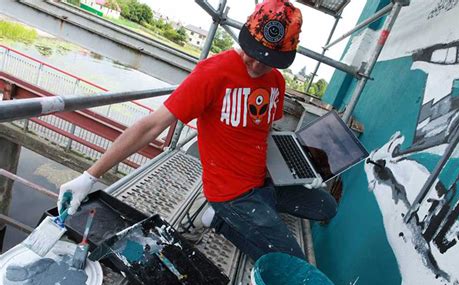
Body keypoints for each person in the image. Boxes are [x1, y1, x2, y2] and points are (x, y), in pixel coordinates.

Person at [58, 0, 337, 261]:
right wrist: (90, 176)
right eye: (252, 52)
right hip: (232, 192)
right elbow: (151, 126)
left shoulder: (275, 81)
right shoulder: (213, 73)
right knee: (291, 263)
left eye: (268, 59)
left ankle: (261, 209)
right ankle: (217, 218)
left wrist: (297, 167)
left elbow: (264, 131)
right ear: (245, 35)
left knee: (327, 207)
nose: (256, 64)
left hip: (265, 178)